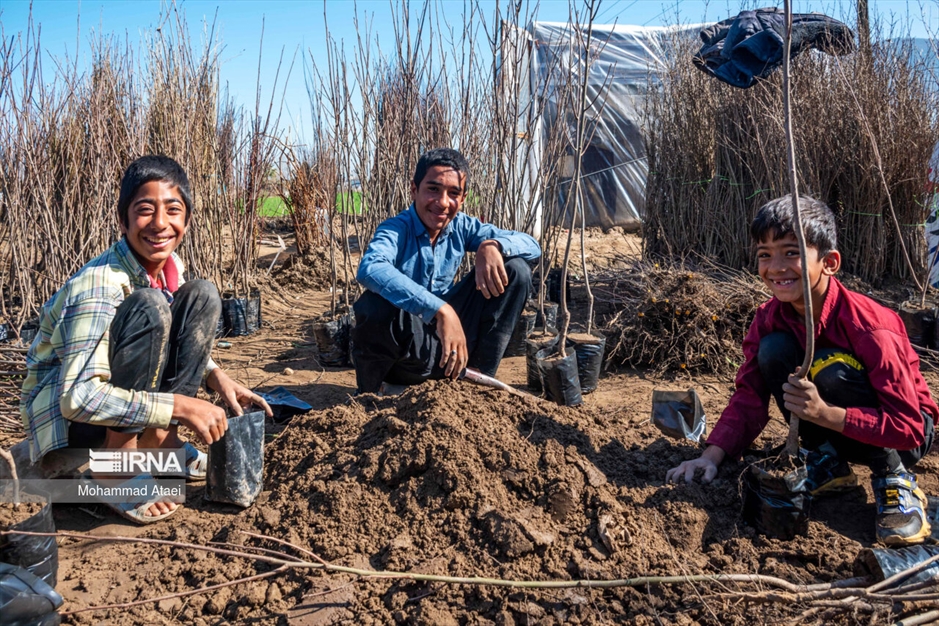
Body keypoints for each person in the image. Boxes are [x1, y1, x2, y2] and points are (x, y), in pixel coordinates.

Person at [666, 195, 936, 546]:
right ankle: (828, 459)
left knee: (828, 371)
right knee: (774, 350)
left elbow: (910, 428)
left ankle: (893, 479)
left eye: (791, 252)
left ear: (830, 262)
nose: (776, 267)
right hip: (834, 425)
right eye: (765, 254)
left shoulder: (871, 326)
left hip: (900, 437)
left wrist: (825, 413)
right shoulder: (768, 318)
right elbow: (749, 396)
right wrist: (710, 455)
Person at [20, 155, 272, 524]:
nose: (159, 224)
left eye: (172, 210)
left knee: (201, 295)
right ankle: (116, 466)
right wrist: (182, 407)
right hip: (68, 419)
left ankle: (158, 443)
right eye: (144, 210)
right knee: (149, 308)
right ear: (122, 220)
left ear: (185, 220)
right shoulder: (100, 285)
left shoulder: (169, 268)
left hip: (115, 401)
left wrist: (216, 377)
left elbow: (175, 334)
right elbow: (78, 398)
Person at [352, 148, 541, 393]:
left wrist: (493, 245)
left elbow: (532, 245)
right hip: (407, 357)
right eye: (433, 189)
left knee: (516, 270)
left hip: (454, 345)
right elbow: (371, 268)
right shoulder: (396, 229)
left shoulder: (463, 226)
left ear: (462, 198)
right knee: (373, 306)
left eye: (453, 193)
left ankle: (477, 378)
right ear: (414, 189)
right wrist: (440, 310)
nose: (442, 203)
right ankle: (369, 395)